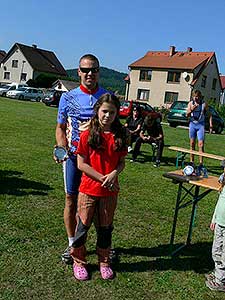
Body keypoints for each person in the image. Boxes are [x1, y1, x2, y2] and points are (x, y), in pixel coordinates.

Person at [55, 54, 111, 265]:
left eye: (94, 69)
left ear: (99, 71)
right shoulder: (67, 98)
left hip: (97, 161)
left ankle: (102, 247)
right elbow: (60, 128)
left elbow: (114, 128)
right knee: (71, 200)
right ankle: (73, 244)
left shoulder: (106, 96)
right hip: (73, 158)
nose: (90, 73)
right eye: (85, 70)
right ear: (78, 71)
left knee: (96, 204)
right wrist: (61, 147)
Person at [70, 93, 127, 281]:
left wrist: (113, 174)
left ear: (117, 113)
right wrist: (101, 177)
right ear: (97, 111)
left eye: (112, 112)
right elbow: (81, 164)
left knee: (105, 228)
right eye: (104, 111)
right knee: (83, 227)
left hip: (110, 190)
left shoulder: (119, 136)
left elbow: (121, 162)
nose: (107, 116)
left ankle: (104, 261)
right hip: (88, 189)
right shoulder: (88, 135)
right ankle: (79, 261)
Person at [205, 170, 225, 292]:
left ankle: (220, 281)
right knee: (216, 250)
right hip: (219, 224)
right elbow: (220, 203)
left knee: (224, 255)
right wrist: (214, 218)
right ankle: (219, 274)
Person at [186, 90, 212, 167]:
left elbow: (210, 115)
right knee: (192, 143)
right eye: (194, 96)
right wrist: (192, 110)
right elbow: (187, 115)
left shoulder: (204, 104)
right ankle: (192, 161)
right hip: (192, 125)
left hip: (200, 125)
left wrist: (211, 125)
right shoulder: (190, 104)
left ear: (200, 97)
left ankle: (201, 163)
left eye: (197, 96)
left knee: (201, 144)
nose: (196, 98)